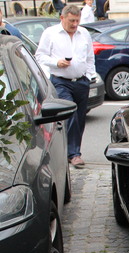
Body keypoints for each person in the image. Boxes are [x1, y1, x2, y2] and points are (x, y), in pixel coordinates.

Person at [36, 5, 96, 168]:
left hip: (82, 81)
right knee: (71, 116)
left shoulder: (83, 33)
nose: (75, 24)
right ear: (62, 18)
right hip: (61, 81)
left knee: (80, 119)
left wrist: (90, 75)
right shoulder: (51, 33)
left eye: (77, 20)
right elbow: (40, 55)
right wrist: (56, 62)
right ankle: (74, 154)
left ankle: (71, 150)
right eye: (71, 21)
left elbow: (90, 56)